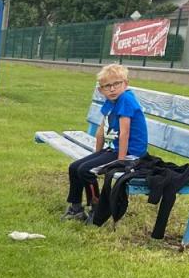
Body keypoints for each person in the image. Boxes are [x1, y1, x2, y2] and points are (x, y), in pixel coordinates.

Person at [62, 63, 149, 222]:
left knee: (86, 170)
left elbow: (125, 133)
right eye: (107, 86)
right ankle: (76, 209)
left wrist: (121, 162)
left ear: (126, 84)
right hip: (113, 148)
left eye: (117, 84)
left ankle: (97, 209)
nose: (112, 89)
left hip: (130, 153)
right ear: (101, 90)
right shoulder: (110, 101)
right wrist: (96, 154)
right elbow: (101, 130)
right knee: (75, 167)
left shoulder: (126, 99)